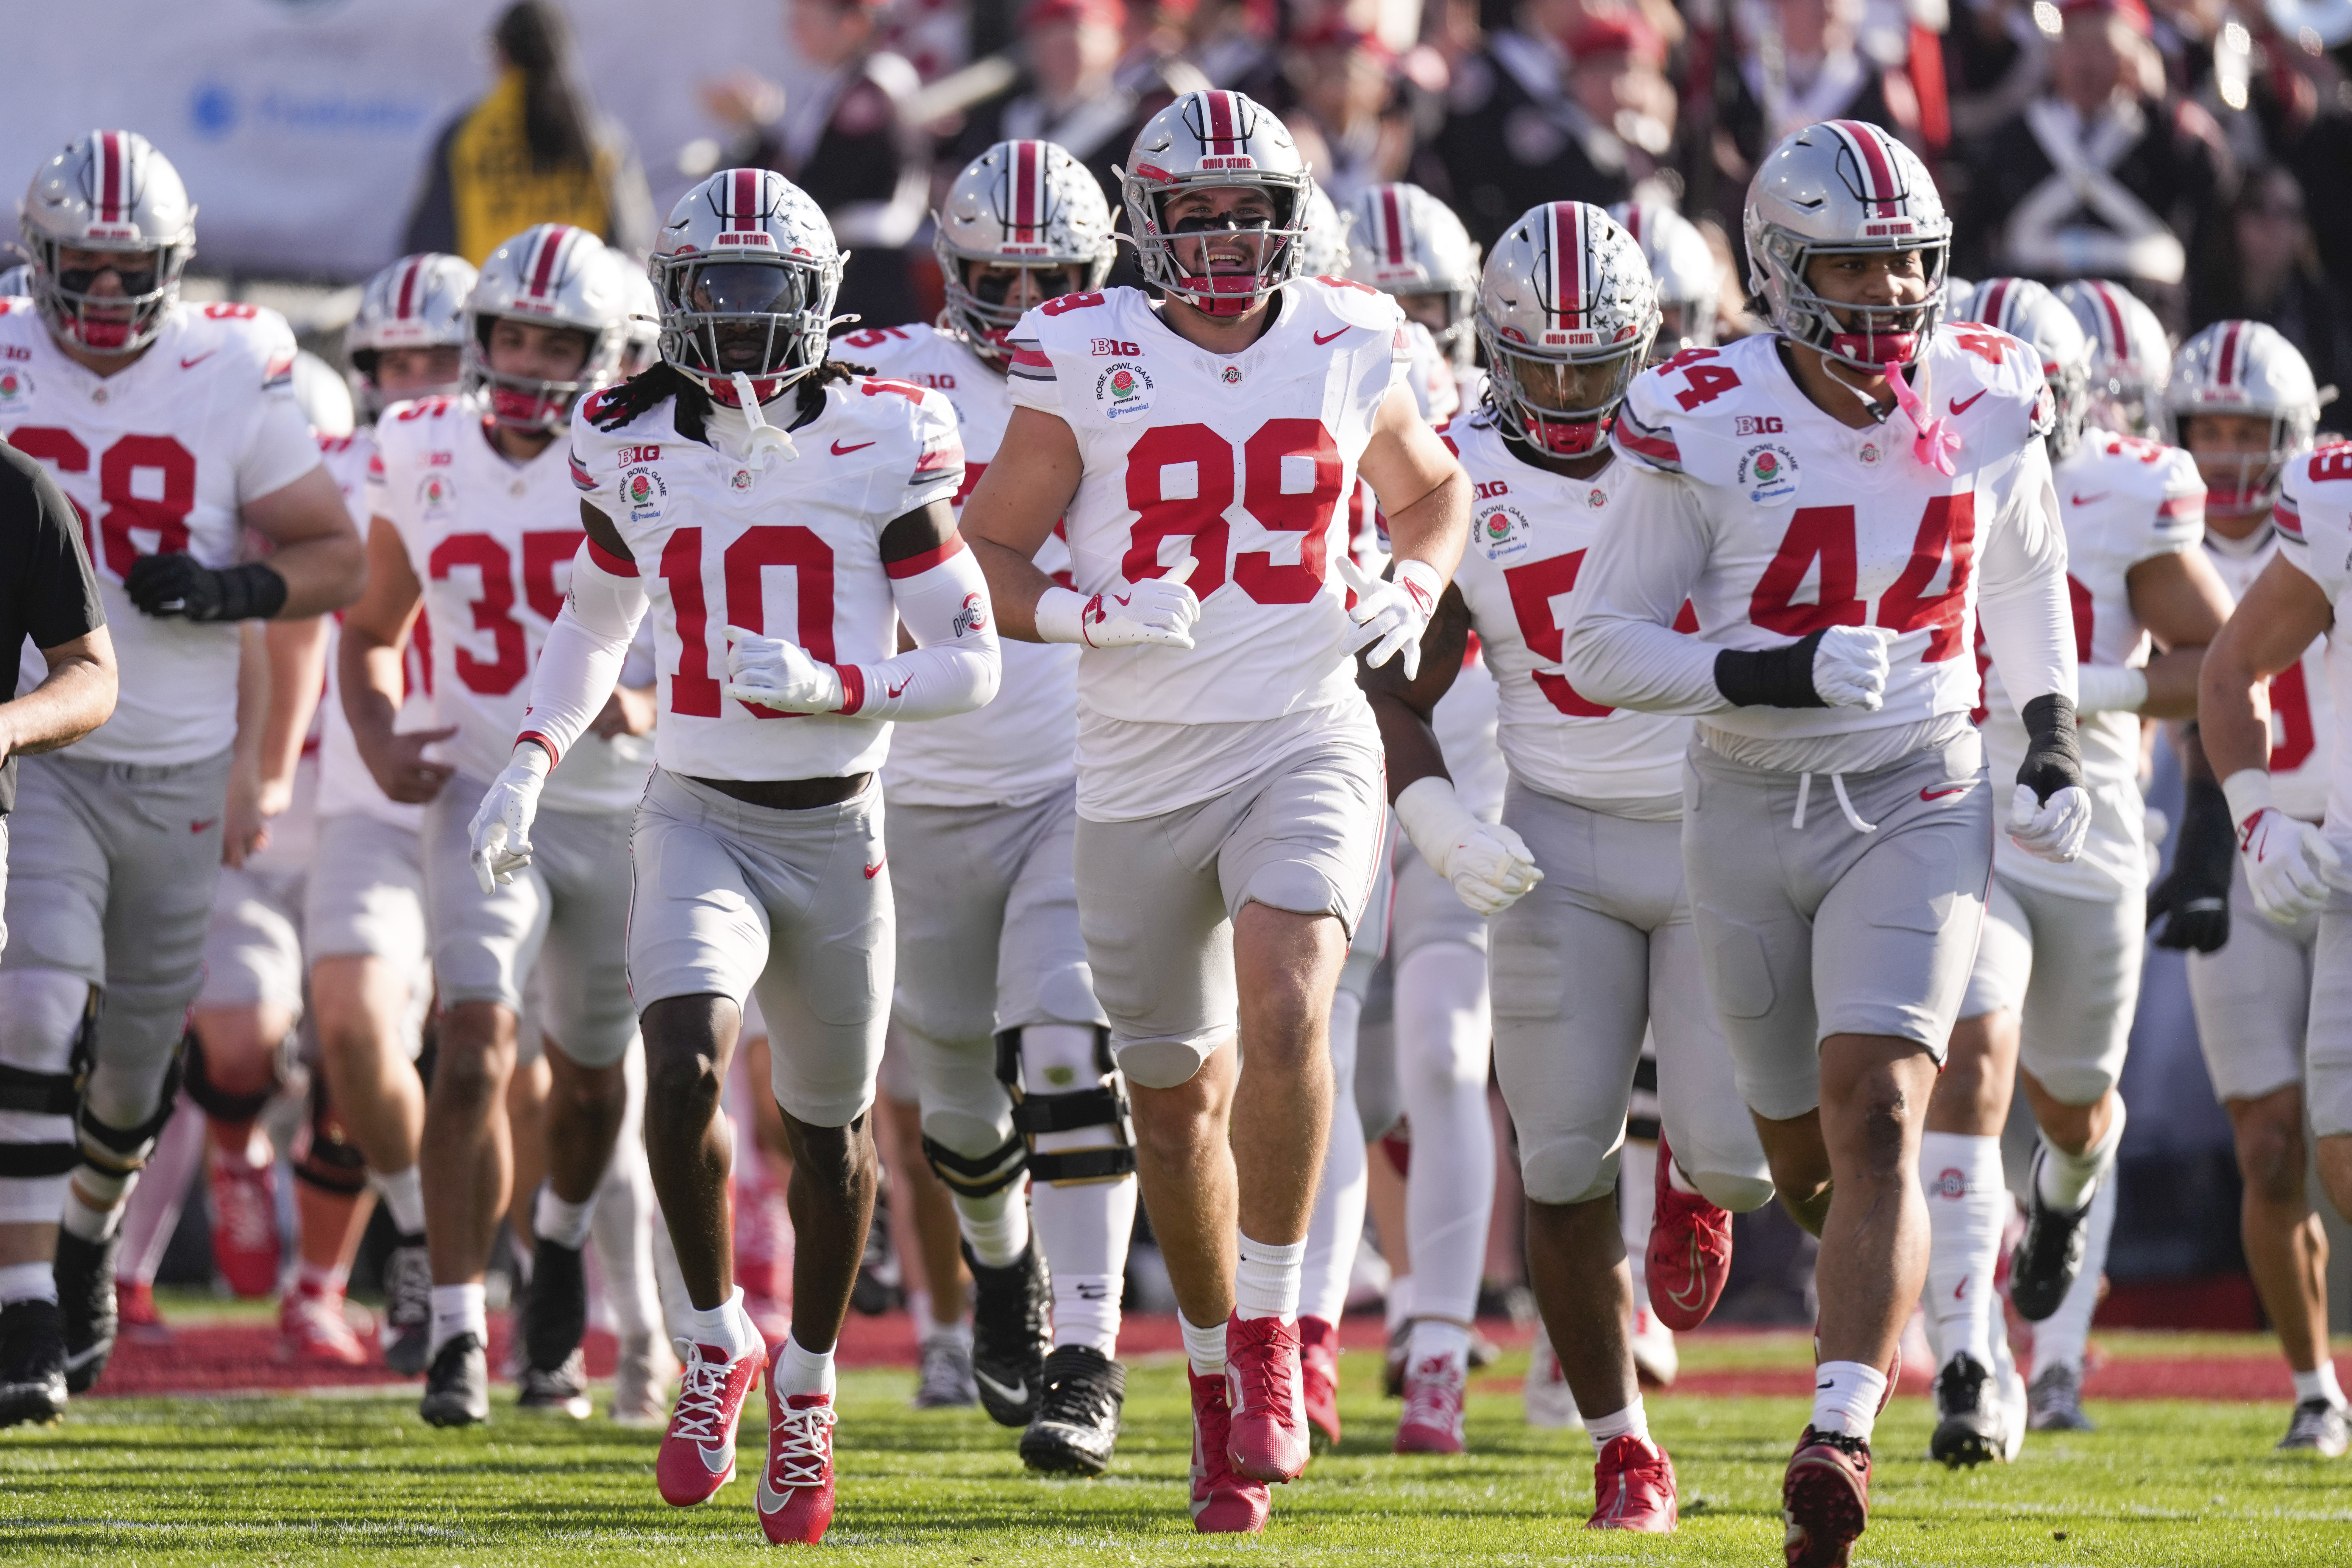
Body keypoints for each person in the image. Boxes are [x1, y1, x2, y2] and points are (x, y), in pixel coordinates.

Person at [1557, 120, 2088, 1567]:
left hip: (1918, 786)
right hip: (1742, 792)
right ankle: (1802, 1262)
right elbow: (1594, 641)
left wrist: (2043, 732)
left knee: (1878, 1118)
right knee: (1795, 1160)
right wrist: (1763, 670)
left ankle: (1837, 1437)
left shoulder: (1984, 393)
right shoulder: (1702, 408)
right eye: (1850, 272)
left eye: (1905, 270)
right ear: (1780, 274)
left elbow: (2026, 569)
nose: (1884, 303)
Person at [959, 89, 1471, 1533]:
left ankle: (1268, 1328)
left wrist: (1409, 585)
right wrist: (1080, 607)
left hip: (1303, 732)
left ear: (1290, 217)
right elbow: (986, 547)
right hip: (1134, 771)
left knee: (1293, 998)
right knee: (1175, 1102)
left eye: (1251, 210)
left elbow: (1432, 497)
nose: (1229, 236)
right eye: (1197, 213)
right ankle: (1202, 1384)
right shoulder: (1083, 346)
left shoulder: (1349, 335)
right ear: (1148, 225)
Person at [484, 166, 995, 1545]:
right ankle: (715, 1344)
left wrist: (838, 686)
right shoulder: (623, 435)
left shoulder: (889, 431)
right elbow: (595, 628)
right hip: (693, 807)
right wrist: (528, 762)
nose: (744, 317)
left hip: (837, 822)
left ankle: (811, 1386)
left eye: (770, 289)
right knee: (685, 1065)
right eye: (716, 288)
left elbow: (973, 661)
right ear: (671, 298)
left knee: (826, 1140)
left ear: (820, 297)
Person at [1364, 199, 1774, 1521]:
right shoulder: (1458, 474)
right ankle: (1621, 1444)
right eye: (1532, 360)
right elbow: (1393, 687)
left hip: (1715, 827)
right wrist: (1434, 817)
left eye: (1590, 362)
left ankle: (1700, 1196)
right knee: (1559, 1159)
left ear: (1642, 348)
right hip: (1558, 838)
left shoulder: (1709, 448)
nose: (1557, 389)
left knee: (1732, 1154)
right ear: (1487, 346)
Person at [0, 131, 365, 1425]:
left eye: (128, 270)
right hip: (41, 749)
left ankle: (91, 1241)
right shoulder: (4, 350)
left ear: (174, 264)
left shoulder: (231, 365)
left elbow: (336, 559)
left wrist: (235, 587)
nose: (103, 299)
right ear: (40, 261)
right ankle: (26, 1307)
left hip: (179, 754)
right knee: (34, 1005)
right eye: (81, 270)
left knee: (138, 1069)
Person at [835, 138, 1139, 1474]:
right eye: (996, 277)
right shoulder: (872, 379)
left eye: (1053, 277)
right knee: (953, 1094)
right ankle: (1000, 1265)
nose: (1022, 303)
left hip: (1077, 769)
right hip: (913, 785)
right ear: (949, 271)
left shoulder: (1138, 362)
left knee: (1068, 1052)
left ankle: (1086, 1355)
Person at [341, 223, 648, 1425]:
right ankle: (461, 1331)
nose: (525, 358)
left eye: (556, 339)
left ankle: (562, 1250)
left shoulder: (649, 449)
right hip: (482, 787)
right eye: (509, 333)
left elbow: (718, 622)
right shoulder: (419, 443)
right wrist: (374, 732)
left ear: (609, 350)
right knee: (469, 1047)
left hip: (621, 802)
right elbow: (372, 625)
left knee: (587, 1082)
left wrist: (654, 698)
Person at [1922, 277, 2230, 1464]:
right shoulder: (1906, 463)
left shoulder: (2119, 489)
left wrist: (2079, 690)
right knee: (1970, 1059)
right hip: (1960, 809)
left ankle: (2060, 1200)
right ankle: (1970, 1359)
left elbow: (2212, 655)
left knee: (2075, 1108)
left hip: (2087, 823)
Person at [2178, 320, 2348, 1456]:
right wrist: (2242, 823)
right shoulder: (2148, 518)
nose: (2232, 455)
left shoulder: (2317, 501)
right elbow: (2213, 673)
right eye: (2212, 430)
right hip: (2251, 855)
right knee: (2273, 1142)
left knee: (2332, 1140)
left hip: (2328, 836)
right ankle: (2313, 1385)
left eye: (2253, 433)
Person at [309, 251, 479, 1376]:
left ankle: (581, 1279)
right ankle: (422, 1231)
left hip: (503, 789)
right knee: (355, 1025)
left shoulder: (557, 460)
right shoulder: (320, 464)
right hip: (366, 792)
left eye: (437, 354)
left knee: (522, 1066)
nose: (414, 375)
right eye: (396, 356)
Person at [1961, 0, 2231, 327]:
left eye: (2103, 47)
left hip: (2141, 311)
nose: (2085, 63)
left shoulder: (2159, 134)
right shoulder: (2019, 135)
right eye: (2075, 44)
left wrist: (2161, 101)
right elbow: (1972, 228)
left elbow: (2217, 183)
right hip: (2035, 309)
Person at [700, 0, 926, 333]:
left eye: (806, 20)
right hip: (854, 265)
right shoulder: (843, 84)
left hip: (866, 271)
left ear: (853, 24)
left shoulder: (870, 87)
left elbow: (818, 190)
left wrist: (758, 132)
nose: (794, 31)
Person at [402, 0, 656, 267]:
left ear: (501, 54)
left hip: (488, 300)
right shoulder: (601, 139)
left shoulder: (465, 138)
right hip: (578, 301)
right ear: (565, 53)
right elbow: (630, 245)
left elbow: (427, 248)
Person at [1426, 0, 1634, 250]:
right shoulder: (1491, 67)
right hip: (1518, 251)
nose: (1596, 8)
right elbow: (1471, 171)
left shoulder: (1581, 59)